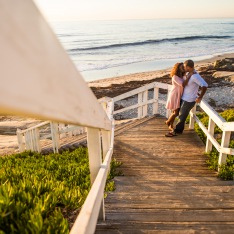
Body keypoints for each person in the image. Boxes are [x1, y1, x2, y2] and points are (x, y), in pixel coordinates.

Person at [165, 59, 208, 137]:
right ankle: (169, 123)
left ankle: (176, 132)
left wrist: (200, 97)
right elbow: (190, 86)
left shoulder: (195, 76)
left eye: (184, 67)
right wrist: (196, 92)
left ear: (188, 67)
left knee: (182, 116)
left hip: (189, 100)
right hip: (183, 97)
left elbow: (205, 85)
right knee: (178, 113)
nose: (184, 68)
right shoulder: (188, 74)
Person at [165, 62, 193, 131]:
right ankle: (168, 122)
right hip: (175, 95)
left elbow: (187, 83)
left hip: (179, 95)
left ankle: (170, 124)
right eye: (181, 67)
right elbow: (183, 84)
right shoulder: (175, 77)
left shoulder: (182, 76)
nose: (183, 68)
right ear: (177, 68)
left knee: (175, 112)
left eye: (183, 67)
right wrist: (189, 76)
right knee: (176, 112)